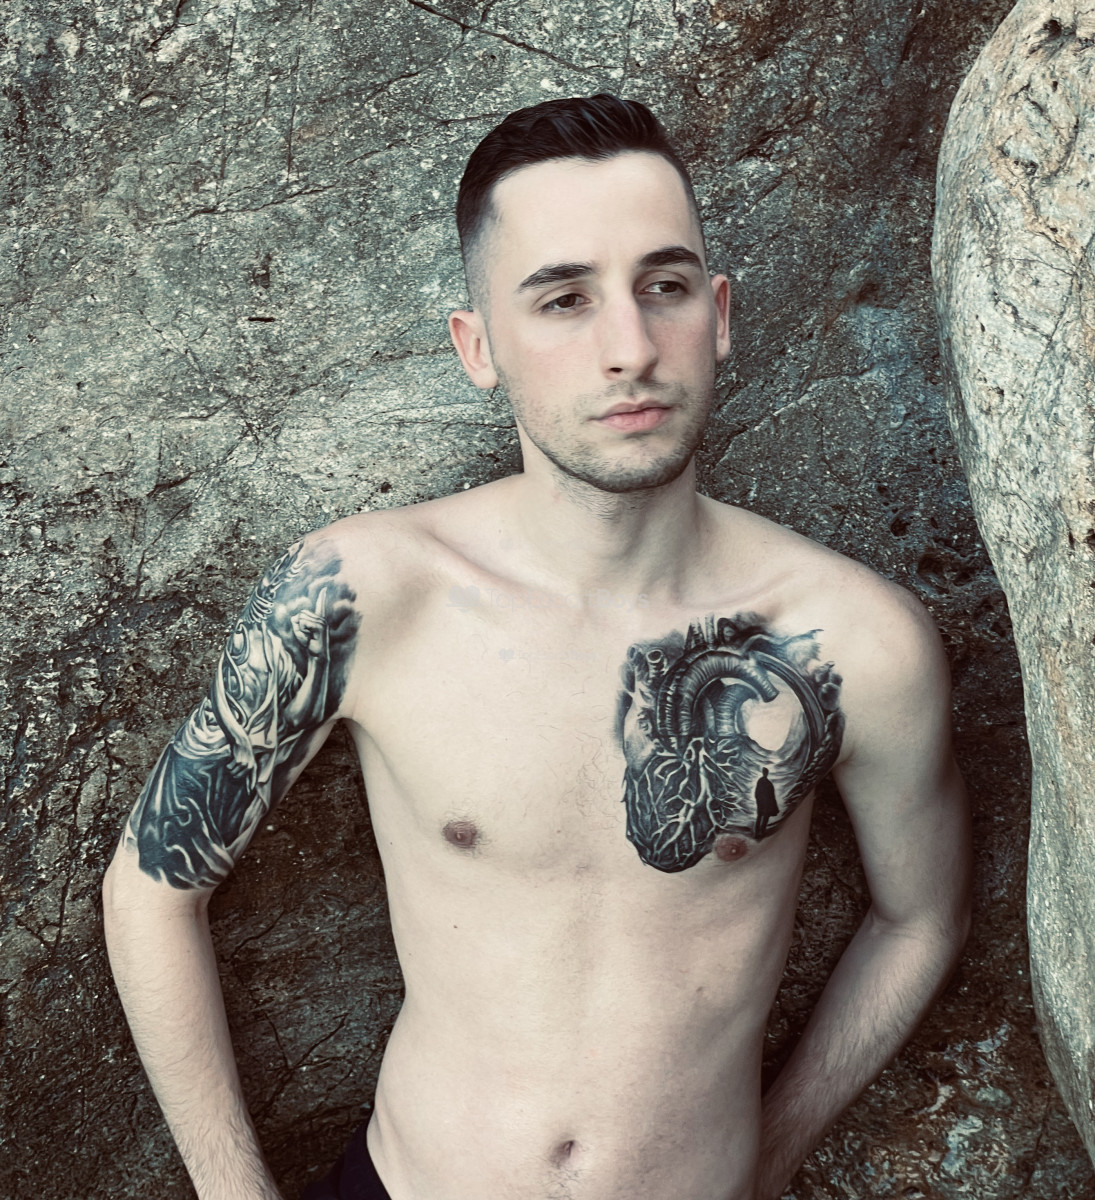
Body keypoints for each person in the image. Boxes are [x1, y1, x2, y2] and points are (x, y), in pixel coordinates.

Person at [102, 93, 972, 1200]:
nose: (629, 348)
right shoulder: (363, 595)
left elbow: (921, 917)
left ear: (718, 315)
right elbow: (151, 887)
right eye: (564, 299)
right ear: (479, 347)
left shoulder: (852, 641)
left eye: (664, 287)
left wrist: (769, 1156)